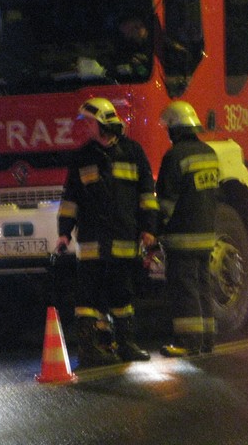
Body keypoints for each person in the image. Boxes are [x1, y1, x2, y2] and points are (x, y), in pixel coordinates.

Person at [57, 97, 158, 368]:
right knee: (88, 295)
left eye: (90, 122)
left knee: (122, 292)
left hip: (124, 237)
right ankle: (90, 348)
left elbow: (146, 194)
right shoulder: (82, 157)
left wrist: (149, 228)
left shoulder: (133, 152)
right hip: (92, 241)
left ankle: (126, 344)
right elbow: (70, 199)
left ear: (103, 123)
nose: (86, 127)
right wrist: (64, 232)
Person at [155, 101, 219, 357]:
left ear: (175, 128)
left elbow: (166, 202)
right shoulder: (209, 153)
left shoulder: (175, 156)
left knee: (185, 288)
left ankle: (188, 341)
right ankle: (207, 339)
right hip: (206, 234)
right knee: (203, 286)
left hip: (182, 236)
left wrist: (155, 230)